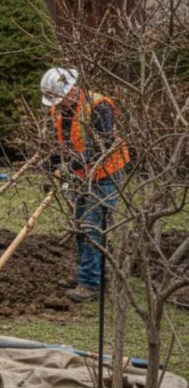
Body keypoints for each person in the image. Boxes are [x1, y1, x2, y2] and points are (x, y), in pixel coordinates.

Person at [40, 67, 129, 302]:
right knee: (80, 224)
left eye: (59, 99)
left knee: (93, 227)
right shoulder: (59, 111)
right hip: (83, 172)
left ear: (71, 90)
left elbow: (103, 144)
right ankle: (90, 275)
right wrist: (52, 165)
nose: (56, 105)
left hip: (107, 171)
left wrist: (68, 167)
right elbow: (62, 145)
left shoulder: (98, 106)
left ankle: (89, 284)